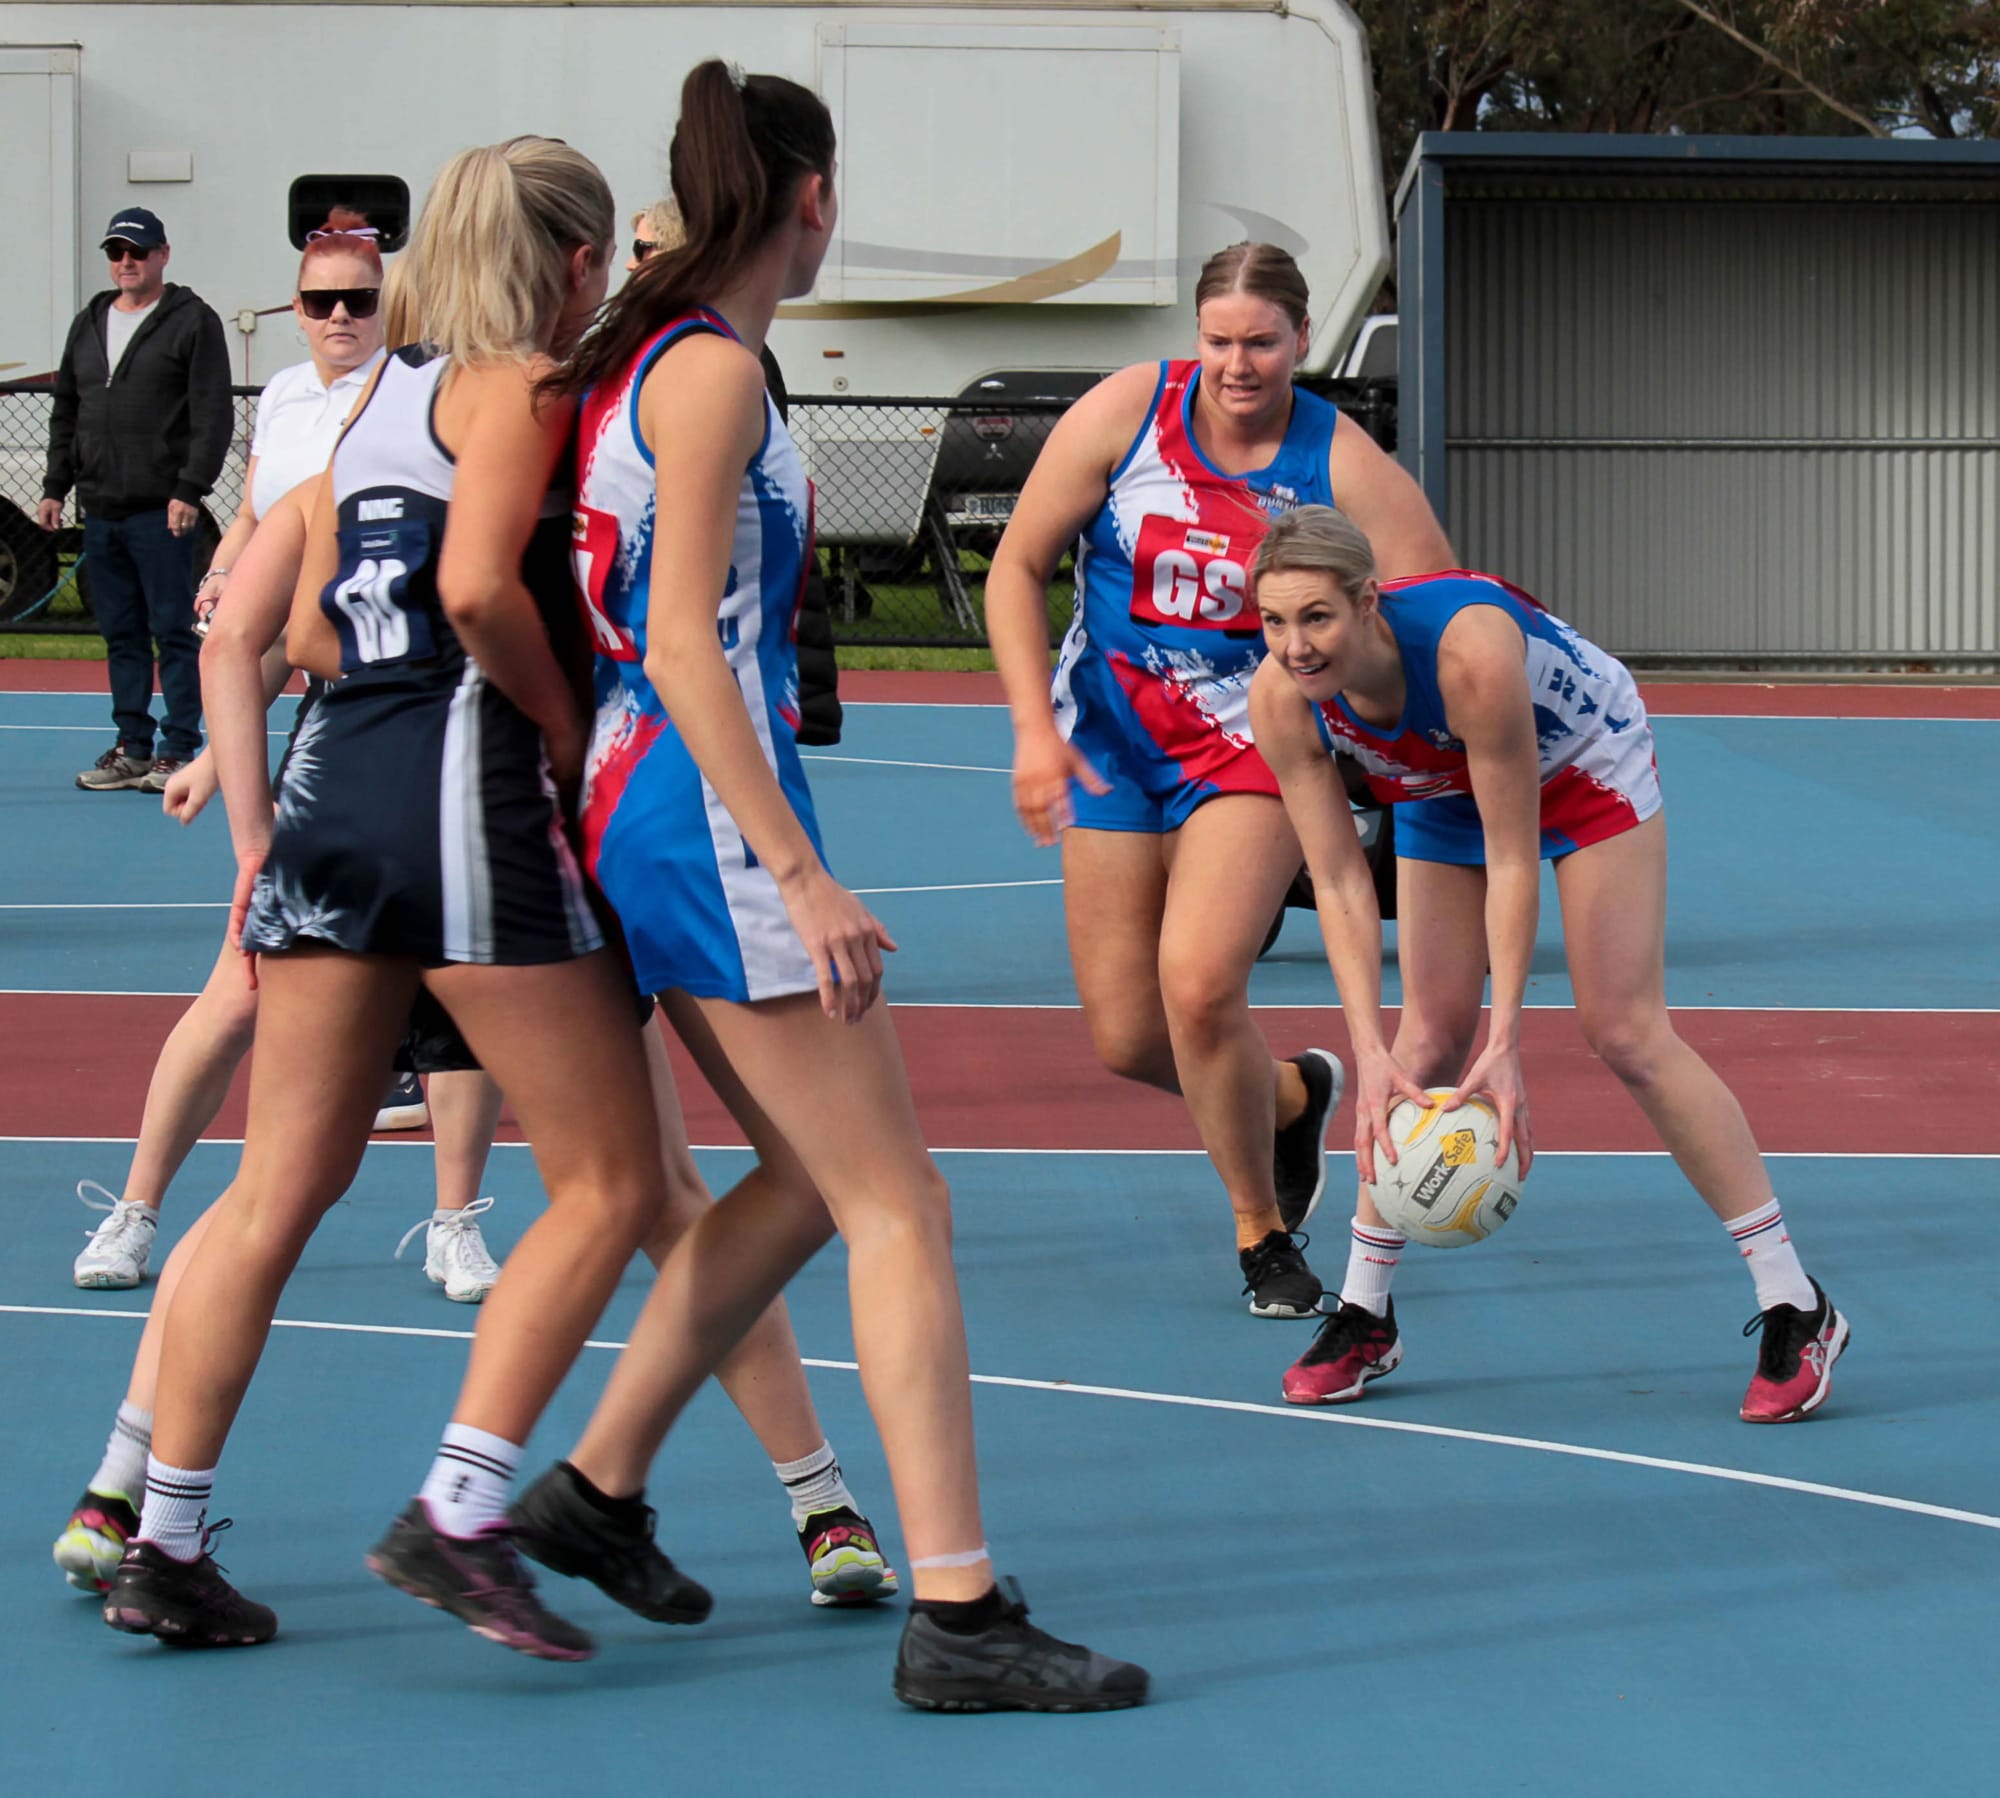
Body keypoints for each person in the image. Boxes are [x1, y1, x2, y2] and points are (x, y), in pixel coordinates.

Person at [546, 61, 1145, 1711]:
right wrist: (799, 870)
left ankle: (595, 1487)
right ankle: (958, 1608)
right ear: (812, 197)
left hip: (650, 796)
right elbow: (684, 640)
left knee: (813, 1184)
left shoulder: (654, 358)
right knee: (900, 1201)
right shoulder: (714, 376)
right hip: (697, 801)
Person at [94, 136, 670, 1660]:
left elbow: (308, 632)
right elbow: (481, 593)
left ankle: (160, 1534)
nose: (603, 281)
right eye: (599, 255)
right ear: (563, 259)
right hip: (451, 787)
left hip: (332, 778)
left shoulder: (375, 404)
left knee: (280, 1183)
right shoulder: (526, 395)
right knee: (616, 1180)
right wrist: (555, 721)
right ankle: (465, 1507)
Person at [1245, 505, 1850, 1422]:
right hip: (1442, 781)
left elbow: (1514, 854)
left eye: (1317, 617)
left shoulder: (1467, 655)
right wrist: (1366, 1050)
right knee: (1419, 1047)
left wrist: (1511, 1040)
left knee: (1624, 1030)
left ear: (1368, 602)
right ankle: (1366, 1315)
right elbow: (1334, 878)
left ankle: (1795, 1303)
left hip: (1581, 758)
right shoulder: (1280, 697)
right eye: (1275, 621)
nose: (1295, 645)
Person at [984, 243, 1453, 1319]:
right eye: (1218, 341)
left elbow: (1431, 601)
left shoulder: (1339, 461)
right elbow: (1015, 566)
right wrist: (1027, 731)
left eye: (1262, 342)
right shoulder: (1126, 412)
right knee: (1128, 1035)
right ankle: (1290, 1096)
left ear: (1302, 342)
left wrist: (1382, 728)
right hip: (1105, 736)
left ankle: (1259, 1231)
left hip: (1251, 747)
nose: (1236, 364)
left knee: (1197, 986)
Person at [65, 226, 503, 1302]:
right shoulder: (302, 437)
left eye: (361, 301)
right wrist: (231, 773)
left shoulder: (446, 420)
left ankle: (454, 1219)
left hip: (448, 739)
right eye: (321, 302)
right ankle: (138, 1204)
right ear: (298, 309)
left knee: (463, 1003)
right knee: (238, 992)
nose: (341, 317)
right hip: (345, 738)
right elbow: (246, 639)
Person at [628, 197, 841, 746]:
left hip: (713, 682)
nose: (629, 265)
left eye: (641, 249)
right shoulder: (676, 362)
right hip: (676, 690)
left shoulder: (718, 371)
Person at [38, 207, 232, 794]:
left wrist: (188, 489)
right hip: (102, 507)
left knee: (173, 629)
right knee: (120, 633)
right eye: (117, 253)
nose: (126, 262)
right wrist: (55, 486)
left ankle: (178, 747)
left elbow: (211, 413)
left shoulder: (193, 322)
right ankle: (133, 747)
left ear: (163, 256)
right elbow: (67, 408)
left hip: (163, 510)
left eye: (138, 252)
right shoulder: (91, 319)